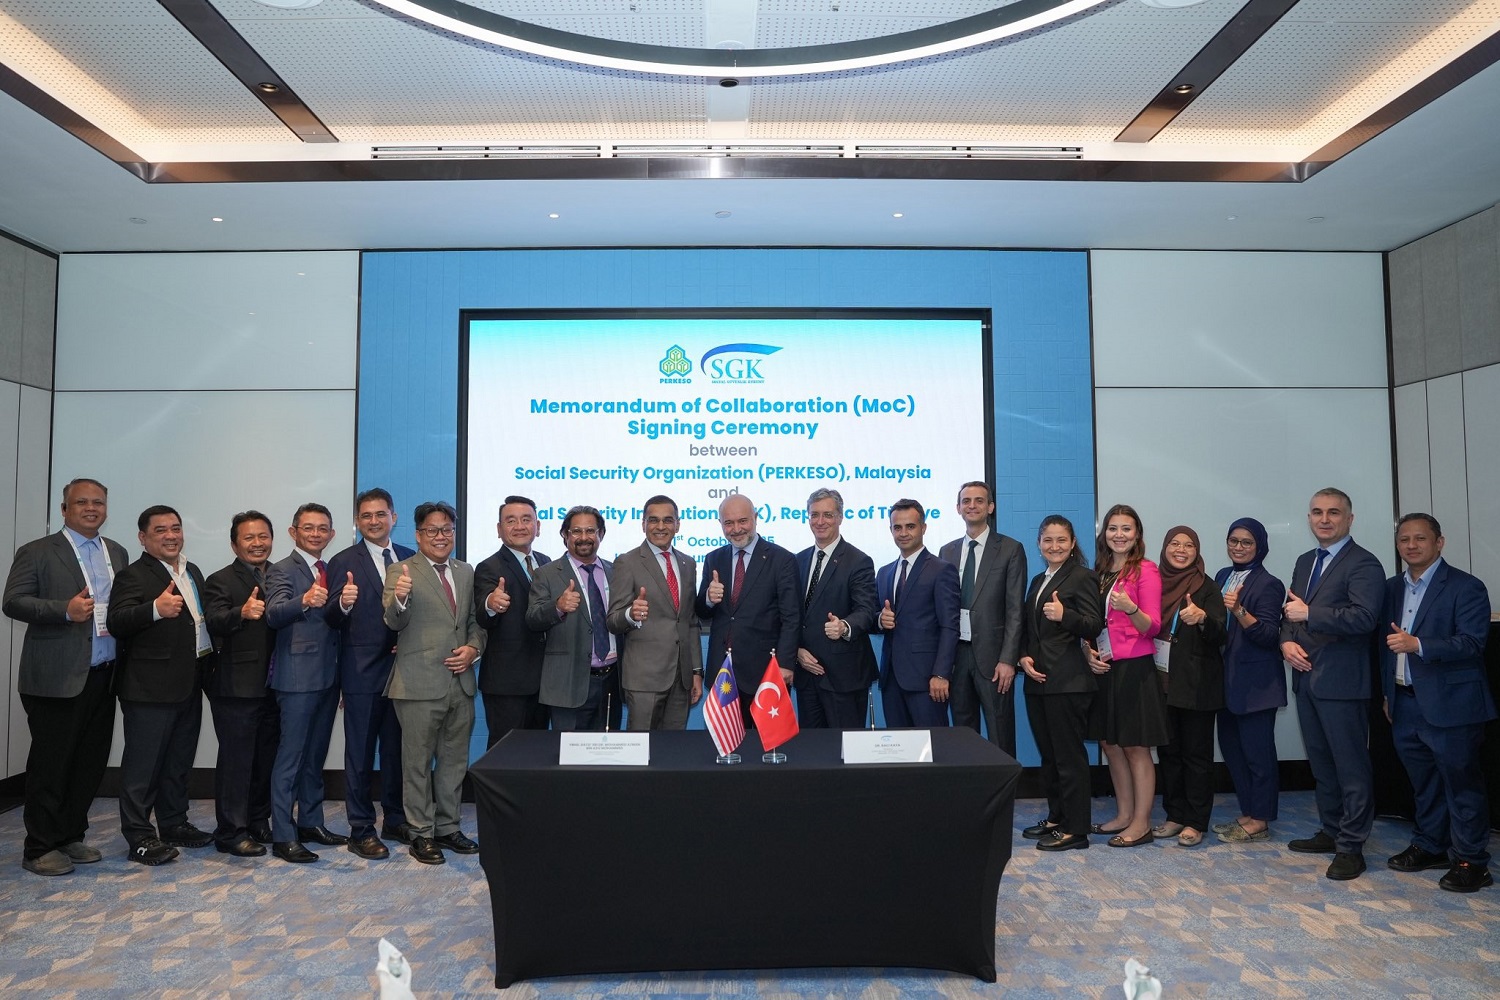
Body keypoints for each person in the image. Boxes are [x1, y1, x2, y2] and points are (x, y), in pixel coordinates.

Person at [4, 478, 129, 876]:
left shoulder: (117, 552)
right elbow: (13, 601)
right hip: (56, 678)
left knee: (88, 763)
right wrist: (64, 610)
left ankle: (70, 835)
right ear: (64, 509)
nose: (91, 508)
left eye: (98, 502)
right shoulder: (38, 551)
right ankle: (39, 846)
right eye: (81, 502)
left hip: (104, 674)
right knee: (52, 765)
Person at [1380, 513, 1494, 892]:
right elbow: (1382, 647)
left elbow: (1472, 642)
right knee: (1424, 784)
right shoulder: (1391, 588)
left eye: (1420, 538)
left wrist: (1419, 645)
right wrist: (1388, 692)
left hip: (1452, 705)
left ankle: (1471, 861)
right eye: (1404, 540)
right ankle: (1430, 845)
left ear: (1439, 542)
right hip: (1405, 703)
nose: (1411, 546)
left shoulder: (1466, 586)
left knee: (1461, 786)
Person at [1280, 487, 1385, 881]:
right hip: (1306, 679)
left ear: (1349, 519)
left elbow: (1364, 618)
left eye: (1333, 512)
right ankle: (1331, 829)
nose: (1324, 519)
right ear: (1309, 517)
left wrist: (1311, 613)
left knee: (1350, 767)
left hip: (1342, 683)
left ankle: (1352, 846)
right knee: (1322, 764)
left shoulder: (1364, 563)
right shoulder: (1305, 561)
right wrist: (1286, 641)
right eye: (1317, 512)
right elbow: (1289, 612)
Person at [106, 505, 214, 865]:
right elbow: (117, 621)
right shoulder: (133, 575)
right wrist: (154, 608)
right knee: (143, 767)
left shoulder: (191, 570)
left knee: (178, 761)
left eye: (176, 528)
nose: (171, 536)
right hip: (148, 689)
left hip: (189, 682)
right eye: (161, 530)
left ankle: (173, 823)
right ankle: (138, 836)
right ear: (143, 538)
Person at [383, 500, 485, 865]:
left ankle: (447, 827)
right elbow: (393, 621)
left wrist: (473, 649)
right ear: (417, 534)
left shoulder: (465, 571)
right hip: (418, 684)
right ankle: (421, 833)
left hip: (461, 682)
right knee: (417, 763)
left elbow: (473, 622)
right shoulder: (401, 570)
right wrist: (400, 598)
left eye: (446, 530)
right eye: (432, 530)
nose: (440, 536)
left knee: (455, 762)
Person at [323, 487, 416, 859]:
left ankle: (395, 818)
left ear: (394, 517)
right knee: (360, 756)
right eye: (366, 516)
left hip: (404, 672)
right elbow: (330, 618)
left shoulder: (411, 558)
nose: (374, 521)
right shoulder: (343, 560)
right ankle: (361, 828)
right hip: (361, 674)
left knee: (396, 752)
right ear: (357, 521)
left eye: (381, 514)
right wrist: (343, 605)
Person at [264, 503, 349, 863]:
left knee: (315, 756)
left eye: (322, 528)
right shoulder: (282, 569)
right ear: (293, 532)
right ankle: (283, 835)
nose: (316, 534)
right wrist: (304, 600)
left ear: (332, 534)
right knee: (291, 759)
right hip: (297, 678)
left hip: (329, 677)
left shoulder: (331, 569)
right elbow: (273, 614)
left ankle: (311, 823)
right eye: (308, 527)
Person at [1017, 515, 1104, 852]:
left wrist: (1065, 615)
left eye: (1061, 540)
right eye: (1048, 540)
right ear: (1039, 543)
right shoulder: (1039, 579)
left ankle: (1076, 830)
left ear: (1072, 543)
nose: (1054, 546)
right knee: (1050, 757)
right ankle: (1057, 818)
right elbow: (1030, 629)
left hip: (1068, 681)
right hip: (1038, 681)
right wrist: (1023, 657)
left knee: (1069, 758)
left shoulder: (1082, 576)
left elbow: (1094, 624)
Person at [1086, 503, 1165, 848]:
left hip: (1134, 668)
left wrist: (1131, 609)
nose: (1119, 535)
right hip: (1104, 667)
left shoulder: (1146, 570)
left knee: (1135, 746)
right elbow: (1091, 623)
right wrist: (1087, 651)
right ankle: (1123, 815)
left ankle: (1142, 823)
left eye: (1126, 529)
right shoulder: (1099, 572)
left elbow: (1153, 626)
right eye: (1113, 528)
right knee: (1110, 743)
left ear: (1137, 535)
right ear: (1104, 533)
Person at [202, 511, 279, 857]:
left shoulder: (280, 574)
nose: (257, 543)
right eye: (249, 538)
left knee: (265, 759)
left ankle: (258, 820)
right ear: (235, 544)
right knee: (237, 762)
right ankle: (231, 831)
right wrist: (241, 613)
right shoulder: (220, 580)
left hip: (275, 685)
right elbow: (213, 620)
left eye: (263, 536)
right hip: (236, 686)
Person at [694, 493, 800, 728]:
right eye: (728, 523)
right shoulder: (713, 558)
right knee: (726, 743)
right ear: (720, 524)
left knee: (765, 744)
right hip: (723, 672)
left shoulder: (782, 559)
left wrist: (785, 664)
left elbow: (792, 618)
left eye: (743, 521)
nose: (736, 529)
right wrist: (709, 599)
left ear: (756, 518)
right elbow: (702, 611)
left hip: (766, 673)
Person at [1212, 517, 1286, 844]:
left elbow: (1269, 636)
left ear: (1260, 546)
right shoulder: (1222, 576)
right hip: (1225, 682)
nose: (1239, 547)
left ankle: (1261, 819)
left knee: (1259, 756)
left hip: (1257, 686)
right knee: (1234, 752)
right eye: (1233, 541)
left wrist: (1240, 611)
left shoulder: (1269, 584)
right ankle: (1249, 811)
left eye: (1247, 542)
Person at [1150, 526, 1226, 848]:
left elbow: (1221, 634)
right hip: (1160, 683)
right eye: (1174, 544)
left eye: (1189, 545)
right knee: (1169, 753)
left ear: (1197, 551)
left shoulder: (1206, 586)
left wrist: (1203, 619)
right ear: (1165, 547)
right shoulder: (1153, 583)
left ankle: (1196, 821)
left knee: (1196, 756)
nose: (1181, 550)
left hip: (1197, 686)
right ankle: (1174, 814)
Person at [939, 481, 1027, 755]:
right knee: (963, 734)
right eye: (966, 501)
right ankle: (971, 784)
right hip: (957, 657)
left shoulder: (1010, 549)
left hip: (994, 659)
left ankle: (1004, 785)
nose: (972, 506)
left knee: (1000, 733)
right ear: (958, 508)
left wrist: (1008, 660)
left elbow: (1015, 610)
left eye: (979, 500)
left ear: (990, 507)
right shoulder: (947, 551)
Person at [606, 495, 703, 729]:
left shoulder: (688, 564)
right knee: (641, 748)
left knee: (673, 748)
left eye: (668, 520)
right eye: (653, 520)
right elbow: (612, 620)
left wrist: (696, 671)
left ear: (677, 525)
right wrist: (630, 614)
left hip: (681, 679)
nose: (661, 526)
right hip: (644, 680)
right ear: (643, 524)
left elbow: (689, 622)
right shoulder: (627, 562)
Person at [527, 506, 620, 731]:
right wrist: (557, 607)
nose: (583, 537)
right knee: (569, 751)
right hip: (568, 682)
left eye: (590, 531)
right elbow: (533, 618)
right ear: (565, 535)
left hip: (612, 681)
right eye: (576, 531)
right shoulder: (547, 573)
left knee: (609, 750)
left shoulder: (615, 571)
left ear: (601, 534)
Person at [792, 488, 878, 729]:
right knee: (813, 747)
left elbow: (866, 610)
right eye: (814, 515)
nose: (820, 521)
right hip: (806, 673)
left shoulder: (859, 561)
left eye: (828, 515)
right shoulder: (797, 560)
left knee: (846, 746)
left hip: (844, 676)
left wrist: (844, 626)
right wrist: (796, 650)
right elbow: (789, 614)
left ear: (840, 517)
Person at [473, 495, 552, 745]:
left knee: (538, 753)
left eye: (526, 519)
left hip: (544, 682)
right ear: (499, 529)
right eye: (511, 521)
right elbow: (483, 614)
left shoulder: (547, 563)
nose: (519, 526)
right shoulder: (489, 567)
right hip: (507, 684)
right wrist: (491, 604)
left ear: (538, 526)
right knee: (505, 755)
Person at [874, 499, 959, 728]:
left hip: (927, 680)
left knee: (933, 746)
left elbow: (950, 626)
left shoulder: (942, 570)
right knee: (897, 746)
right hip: (891, 679)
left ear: (923, 527)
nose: (903, 533)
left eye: (910, 526)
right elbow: (875, 617)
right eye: (897, 527)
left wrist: (941, 674)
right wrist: (880, 620)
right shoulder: (884, 573)